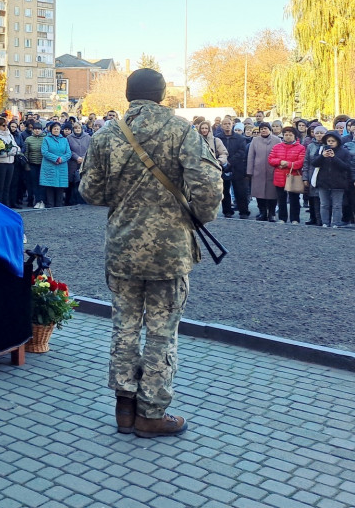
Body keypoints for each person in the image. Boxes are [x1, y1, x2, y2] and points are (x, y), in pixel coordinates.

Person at [79, 69, 221, 438]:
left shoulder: (106, 134)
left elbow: (90, 192)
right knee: (161, 333)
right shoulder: (182, 131)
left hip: (123, 246)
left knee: (123, 328)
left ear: (128, 94)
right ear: (162, 95)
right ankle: (151, 413)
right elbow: (208, 186)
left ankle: (124, 409)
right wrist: (194, 217)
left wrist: (125, 199)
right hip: (169, 250)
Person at [312, 131, 351, 228]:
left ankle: (336, 222)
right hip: (323, 181)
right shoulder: (321, 150)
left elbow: (346, 166)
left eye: (333, 141)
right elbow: (314, 163)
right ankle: (325, 222)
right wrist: (322, 156)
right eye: (328, 141)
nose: (330, 143)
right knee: (324, 204)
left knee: (337, 205)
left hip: (339, 182)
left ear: (338, 141)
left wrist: (334, 158)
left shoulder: (344, 152)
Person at [268, 127, 306, 224]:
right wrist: (280, 162)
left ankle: (295, 219)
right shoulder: (277, 147)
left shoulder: (301, 148)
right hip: (279, 176)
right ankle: (282, 218)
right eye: (286, 135)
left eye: (290, 135)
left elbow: (300, 162)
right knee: (281, 199)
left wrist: (288, 164)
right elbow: (271, 159)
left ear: (295, 136)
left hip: (293, 176)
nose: (288, 137)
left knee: (294, 199)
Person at [246, 123, 280, 221]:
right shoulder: (255, 140)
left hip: (272, 170)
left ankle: (272, 213)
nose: (263, 130)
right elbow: (251, 156)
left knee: (272, 194)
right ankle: (262, 212)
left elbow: (279, 153)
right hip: (258, 171)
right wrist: (249, 170)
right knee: (259, 194)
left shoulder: (277, 140)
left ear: (269, 129)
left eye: (265, 128)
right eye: (261, 129)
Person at [222, 123, 251, 218]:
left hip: (237, 167)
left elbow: (242, 151)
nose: (227, 126)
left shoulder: (239, 138)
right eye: (225, 124)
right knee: (225, 190)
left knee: (240, 191)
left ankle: (243, 211)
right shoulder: (218, 138)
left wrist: (230, 162)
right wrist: (224, 162)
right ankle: (227, 211)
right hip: (223, 166)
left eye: (229, 124)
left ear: (232, 125)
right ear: (222, 126)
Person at [39, 122, 71, 208]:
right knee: (50, 186)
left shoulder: (64, 140)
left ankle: (59, 205)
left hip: (61, 166)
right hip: (49, 165)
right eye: (54, 128)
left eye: (58, 128)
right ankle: (50, 205)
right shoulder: (46, 139)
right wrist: (55, 158)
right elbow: (44, 152)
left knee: (60, 186)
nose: (56, 130)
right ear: (51, 129)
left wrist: (61, 159)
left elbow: (68, 153)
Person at [66, 122, 91, 206]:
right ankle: (72, 200)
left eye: (79, 128)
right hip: (73, 163)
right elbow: (68, 149)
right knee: (73, 182)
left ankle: (83, 200)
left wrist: (84, 157)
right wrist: (77, 157)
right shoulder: (69, 138)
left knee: (83, 182)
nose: (77, 130)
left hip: (85, 162)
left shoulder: (88, 137)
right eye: (76, 128)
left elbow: (90, 149)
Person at [24, 122, 46, 208]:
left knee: (42, 183)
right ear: (32, 130)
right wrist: (26, 165)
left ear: (41, 130)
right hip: (32, 164)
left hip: (43, 164)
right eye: (35, 129)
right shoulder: (28, 139)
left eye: (39, 129)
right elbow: (26, 152)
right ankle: (37, 201)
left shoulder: (45, 138)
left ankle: (42, 201)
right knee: (34, 183)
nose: (37, 131)